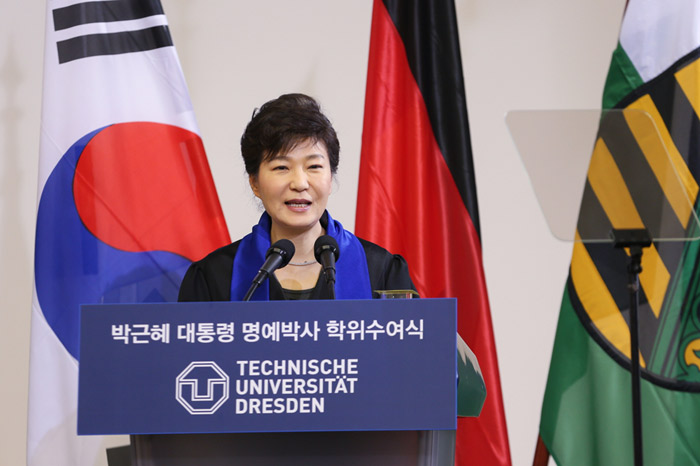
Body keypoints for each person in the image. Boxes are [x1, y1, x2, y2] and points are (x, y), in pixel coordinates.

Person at [178, 93, 415, 302]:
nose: (300, 183)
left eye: (313, 166)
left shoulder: (382, 272)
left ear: (330, 178)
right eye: (281, 167)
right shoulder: (215, 277)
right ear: (255, 183)